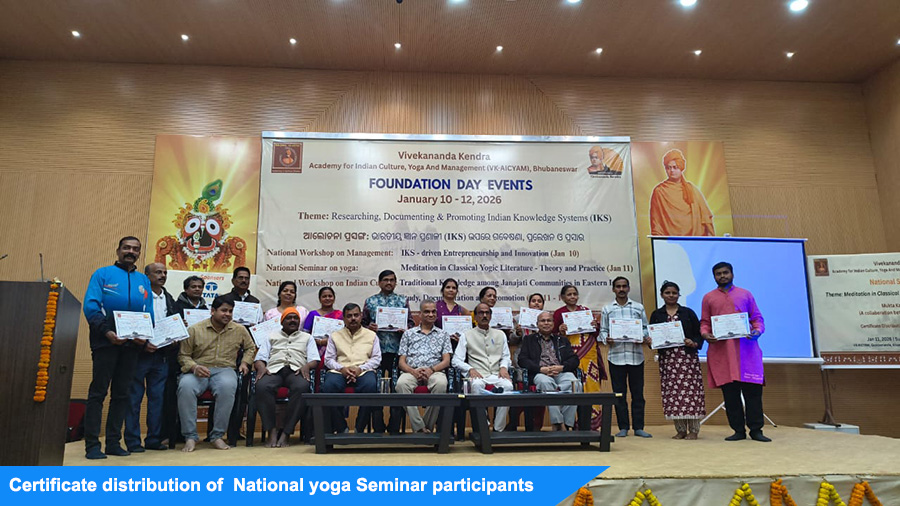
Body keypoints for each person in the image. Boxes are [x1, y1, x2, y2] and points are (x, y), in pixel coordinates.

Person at [82, 236, 153, 459]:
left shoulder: (143, 280)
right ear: (118, 250)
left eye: (135, 249)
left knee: (122, 395)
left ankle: (113, 443)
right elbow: (91, 307)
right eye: (126, 248)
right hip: (106, 341)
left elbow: (148, 312)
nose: (131, 251)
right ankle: (92, 445)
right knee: (98, 393)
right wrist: (107, 332)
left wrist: (144, 337)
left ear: (139, 253)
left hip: (132, 346)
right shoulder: (102, 274)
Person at [177, 296, 256, 452]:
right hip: (198, 370)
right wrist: (193, 367)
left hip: (225, 370)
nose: (227, 314)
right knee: (185, 387)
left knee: (228, 387)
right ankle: (190, 437)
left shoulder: (239, 329)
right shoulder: (195, 329)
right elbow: (183, 355)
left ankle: (217, 436)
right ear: (213, 311)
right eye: (224, 310)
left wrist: (245, 362)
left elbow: (250, 348)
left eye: (230, 311)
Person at [700, 262, 768, 442]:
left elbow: (757, 318)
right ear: (714, 277)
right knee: (731, 396)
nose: (722, 276)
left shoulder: (745, 294)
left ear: (732, 274)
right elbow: (705, 322)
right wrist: (705, 334)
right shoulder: (708, 298)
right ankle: (738, 430)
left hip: (747, 354)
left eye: (725, 272)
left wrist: (757, 331)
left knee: (753, 395)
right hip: (723, 355)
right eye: (718, 274)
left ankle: (756, 430)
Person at [124, 262, 175, 453]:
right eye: (158, 272)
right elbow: (129, 322)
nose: (162, 275)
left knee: (157, 399)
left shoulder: (169, 298)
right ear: (146, 276)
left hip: (161, 355)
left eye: (165, 272)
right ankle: (132, 441)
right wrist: (143, 343)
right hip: (139, 354)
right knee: (134, 399)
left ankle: (154, 439)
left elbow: (172, 323)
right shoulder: (138, 296)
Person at [253, 307, 319, 447]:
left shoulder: (307, 337)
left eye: (295, 318)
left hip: (296, 371)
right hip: (273, 370)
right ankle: (272, 431)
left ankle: (286, 432)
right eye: (289, 318)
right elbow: (259, 358)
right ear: (282, 321)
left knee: (302, 387)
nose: (292, 320)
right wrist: (261, 367)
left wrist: (307, 366)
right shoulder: (271, 336)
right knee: (262, 386)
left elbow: (314, 359)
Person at [649, 281, 706, 440]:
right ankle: (680, 430)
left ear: (679, 295)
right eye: (667, 293)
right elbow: (653, 336)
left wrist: (693, 343)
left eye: (674, 293)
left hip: (687, 359)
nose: (671, 295)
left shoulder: (687, 313)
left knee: (691, 394)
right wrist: (650, 341)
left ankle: (694, 430)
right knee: (673, 395)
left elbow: (698, 334)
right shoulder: (657, 314)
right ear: (662, 295)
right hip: (668, 361)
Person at [361, 269, 413, 433]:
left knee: (396, 387)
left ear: (396, 282)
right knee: (376, 387)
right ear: (379, 282)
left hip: (397, 351)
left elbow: (411, 323)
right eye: (385, 280)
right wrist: (369, 327)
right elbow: (361, 324)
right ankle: (377, 425)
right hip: (375, 351)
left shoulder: (402, 300)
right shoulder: (370, 301)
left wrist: (405, 328)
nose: (388, 283)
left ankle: (394, 425)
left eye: (391, 280)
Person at [599, 277, 652, 438]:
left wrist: (642, 336)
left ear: (628, 288)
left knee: (638, 394)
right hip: (616, 357)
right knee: (619, 394)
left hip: (636, 357)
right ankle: (623, 427)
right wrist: (607, 339)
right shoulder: (607, 309)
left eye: (624, 286)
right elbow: (603, 331)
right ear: (613, 289)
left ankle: (639, 427)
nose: (621, 289)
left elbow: (646, 328)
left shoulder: (638, 307)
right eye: (618, 286)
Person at [553, 285, 607, 430]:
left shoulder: (585, 311)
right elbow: (553, 335)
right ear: (562, 297)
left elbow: (595, 334)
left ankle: (591, 424)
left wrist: (595, 326)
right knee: (574, 387)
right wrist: (560, 331)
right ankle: (571, 423)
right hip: (570, 356)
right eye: (569, 294)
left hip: (589, 356)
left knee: (591, 386)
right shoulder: (559, 313)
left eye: (575, 294)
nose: (572, 297)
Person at [452, 303, 513, 432]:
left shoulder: (500, 334)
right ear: (475, 317)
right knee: (476, 385)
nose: (484, 315)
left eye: (487, 313)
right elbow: (456, 360)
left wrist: (503, 367)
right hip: (477, 375)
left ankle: (498, 428)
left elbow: (506, 356)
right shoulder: (466, 335)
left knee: (508, 386)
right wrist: (470, 369)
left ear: (491, 316)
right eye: (481, 313)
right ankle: (483, 425)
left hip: (496, 374)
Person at [322, 303, 381, 433]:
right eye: (349, 316)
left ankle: (359, 428)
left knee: (371, 386)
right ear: (343, 318)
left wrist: (361, 369)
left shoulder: (371, 335)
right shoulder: (335, 336)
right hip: (339, 371)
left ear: (361, 316)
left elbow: (376, 358)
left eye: (356, 315)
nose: (353, 318)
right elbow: (328, 359)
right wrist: (342, 369)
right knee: (329, 387)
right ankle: (341, 427)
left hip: (363, 370)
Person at [395, 300, 452, 433]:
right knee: (401, 385)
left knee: (441, 384)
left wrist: (431, 370)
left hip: (435, 371)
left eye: (433, 311)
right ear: (420, 314)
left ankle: (425, 426)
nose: (431, 314)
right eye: (427, 312)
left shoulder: (443, 334)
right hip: (412, 371)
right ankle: (420, 427)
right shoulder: (408, 334)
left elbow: (446, 361)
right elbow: (401, 362)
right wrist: (413, 371)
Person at [517, 311, 580, 431]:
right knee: (545, 383)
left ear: (553, 323)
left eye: (549, 320)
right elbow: (522, 360)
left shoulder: (562, 340)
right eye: (543, 321)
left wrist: (561, 367)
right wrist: (541, 369)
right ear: (537, 324)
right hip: (541, 373)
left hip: (561, 372)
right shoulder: (529, 340)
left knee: (574, 384)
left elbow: (574, 359)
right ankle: (558, 423)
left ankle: (567, 423)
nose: (546, 323)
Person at [164, 275, 207, 446]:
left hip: (199, 357)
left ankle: (185, 433)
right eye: (193, 287)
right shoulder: (175, 307)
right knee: (171, 397)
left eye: (200, 287)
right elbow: (167, 329)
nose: (197, 289)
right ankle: (170, 433)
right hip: (176, 356)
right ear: (186, 289)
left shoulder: (207, 309)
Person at [649, 148, 715, 237]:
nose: (672, 170)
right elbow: (656, 221)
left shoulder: (691, 189)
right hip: (670, 242)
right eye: (669, 168)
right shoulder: (659, 191)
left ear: (681, 168)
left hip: (693, 239)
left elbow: (706, 217)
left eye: (675, 167)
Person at [302, 286, 342, 354]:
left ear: (334, 298)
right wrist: (319, 342)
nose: (327, 298)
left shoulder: (340, 315)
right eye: (324, 296)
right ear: (319, 299)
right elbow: (305, 335)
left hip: (335, 352)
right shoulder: (312, 314)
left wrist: (330, 341)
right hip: (315, 351)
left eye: (330, 296)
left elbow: (344, 335)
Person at [435, 278, 469, 348]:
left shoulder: (461, 310)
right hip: (438, 344)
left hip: (457, 345)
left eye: (454, 288)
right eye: (448, 287)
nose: (451, 290)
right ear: (442, 290)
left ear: (457, 291)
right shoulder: (435, 306)